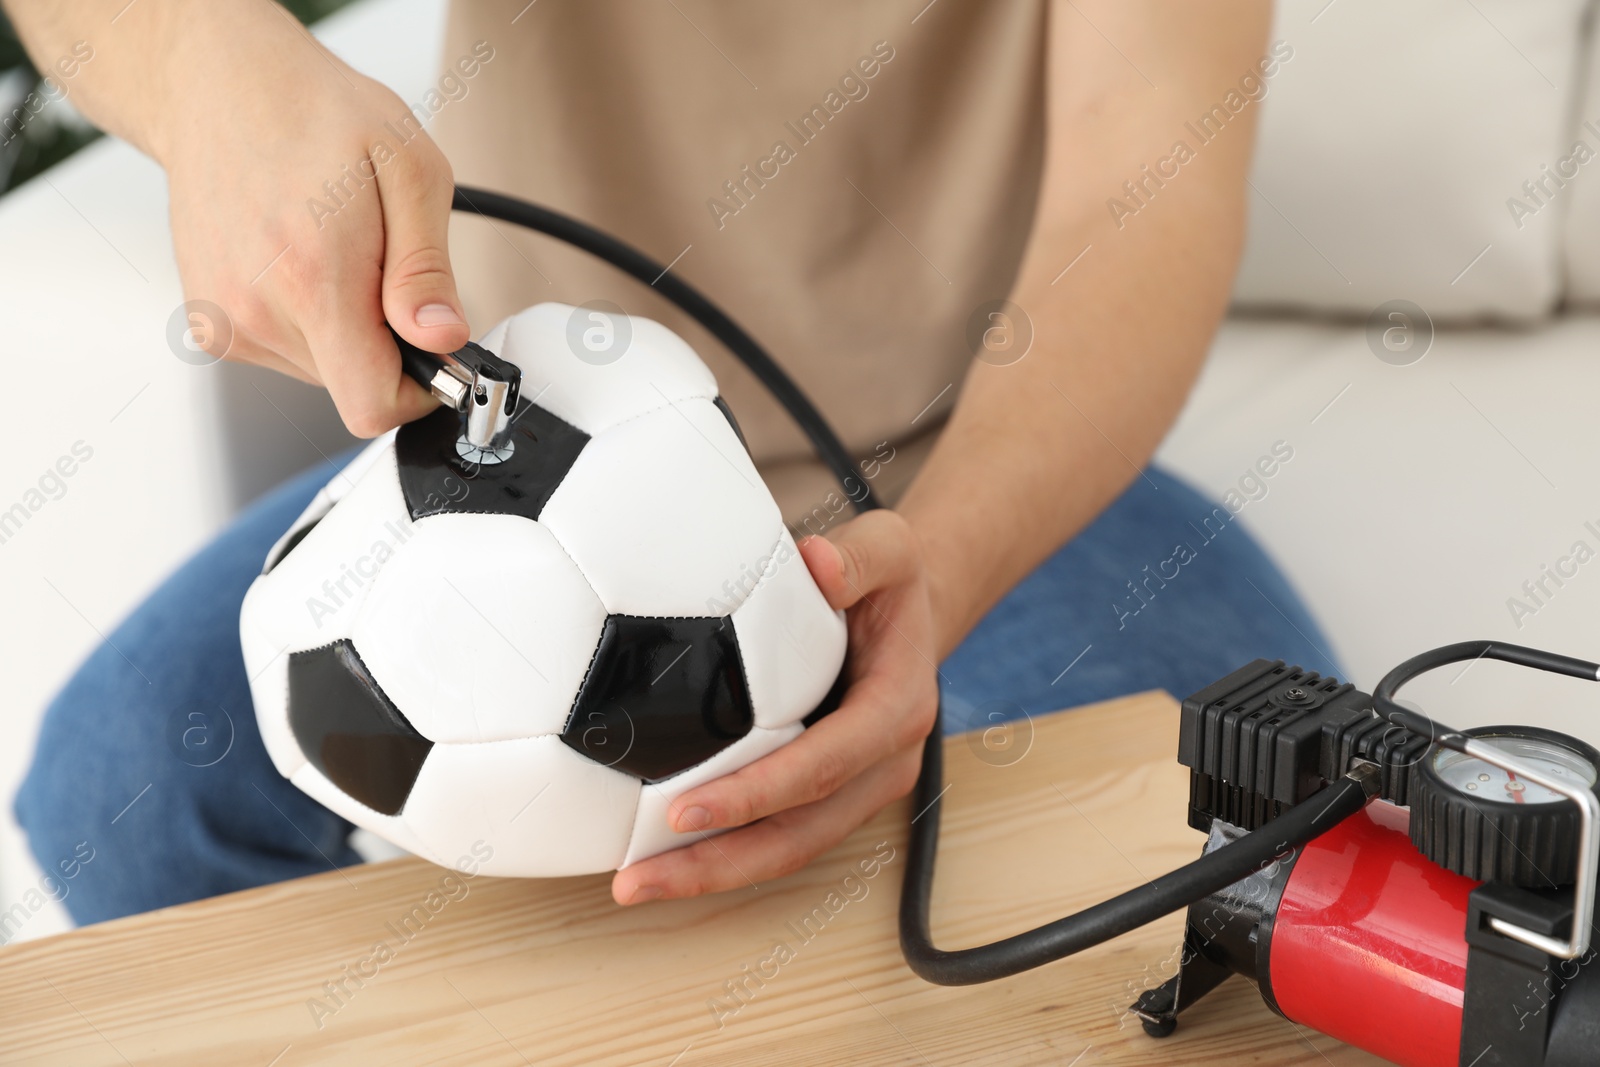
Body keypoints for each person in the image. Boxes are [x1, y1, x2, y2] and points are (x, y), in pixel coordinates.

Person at [8, 0, 1332, 923]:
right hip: (505, 457)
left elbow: (1151, 168)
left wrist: (946, 565)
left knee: (1255, 838)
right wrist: (204, 63)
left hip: (961, 461)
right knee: (114, 784)